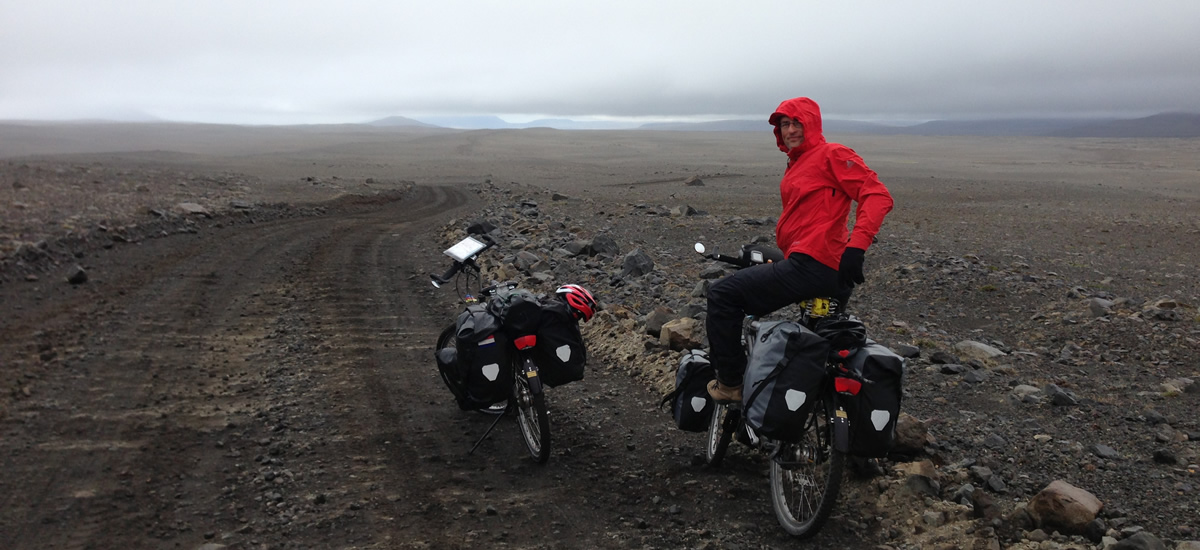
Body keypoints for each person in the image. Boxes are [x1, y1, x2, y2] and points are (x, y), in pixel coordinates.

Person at [706, 97, 894, 402]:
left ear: (812, 124)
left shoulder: (831, 154)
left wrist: (857, 248)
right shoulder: (799, 163)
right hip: (820, 264)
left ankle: (730, 384)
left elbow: (877, 195)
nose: (791, 130)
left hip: (814, 266)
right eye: (784, 124)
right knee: (816, 341)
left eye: (797, 123)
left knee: (722, 295)